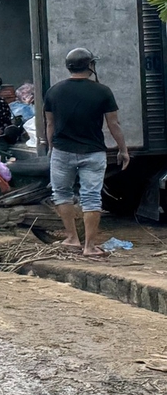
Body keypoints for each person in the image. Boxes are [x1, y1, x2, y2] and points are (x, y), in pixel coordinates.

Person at [46, 47, 130, 258]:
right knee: (91, 198)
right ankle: (90, 247)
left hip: (62, 150)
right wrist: (123, 149)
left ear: (69, 67)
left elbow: (49, 124)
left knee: (62, 194)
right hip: (93, 152)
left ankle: (72, 238)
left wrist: (51, 147)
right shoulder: (102, 91)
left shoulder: (54, 91)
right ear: (90, 66)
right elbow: (114, 124)